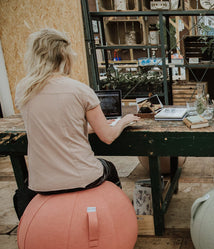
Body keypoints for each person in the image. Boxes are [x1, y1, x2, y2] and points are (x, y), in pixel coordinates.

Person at [13, 28, 139, 218]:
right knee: (109, 168)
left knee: (19, 194)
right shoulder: (79, 90)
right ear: (65, 57)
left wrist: (85, 129)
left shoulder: (24, 89)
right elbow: (108, 137)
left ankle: (31, 232)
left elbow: (56, 127)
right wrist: (123, 122)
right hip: (82, 177)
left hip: (41, 182)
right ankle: (118, 215)